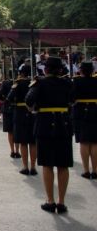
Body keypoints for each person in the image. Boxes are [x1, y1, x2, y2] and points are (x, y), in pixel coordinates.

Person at [25, 56, 73, 213]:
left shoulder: (40, 83)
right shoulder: (67, 83)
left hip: (45, 125)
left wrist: (36, 109)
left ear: (45, 69)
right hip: (63, 125)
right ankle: (62, 201)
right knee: (63, 164)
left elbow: (29, 101)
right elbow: (73, 100)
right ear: (60, 70)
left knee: (47, 164)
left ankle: (50, 200)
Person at [7, 65, 37, 174]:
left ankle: (25, 167)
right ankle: (33, 167)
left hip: (20, 113)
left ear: (21, 73)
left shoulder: (17, 83)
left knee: (23, 143)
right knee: (33, 143)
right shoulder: (35, 82)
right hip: (33, 113)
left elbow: (9, 98)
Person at [71, 62, 97, 180]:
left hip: (81, 112)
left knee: (84, 141)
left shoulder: (76, 81)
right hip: (95, 111)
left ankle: (86, 170)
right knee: (95, 142)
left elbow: (72, 98)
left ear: (81, 70)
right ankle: (95, 170)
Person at [0, 76, 20, 159]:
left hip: (7, 108)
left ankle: (12, 150)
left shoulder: (6, 83)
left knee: (10, 131)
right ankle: (17, 151)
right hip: (18, 108)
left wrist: (4, 101)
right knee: (17, 131)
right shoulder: (20, 82)